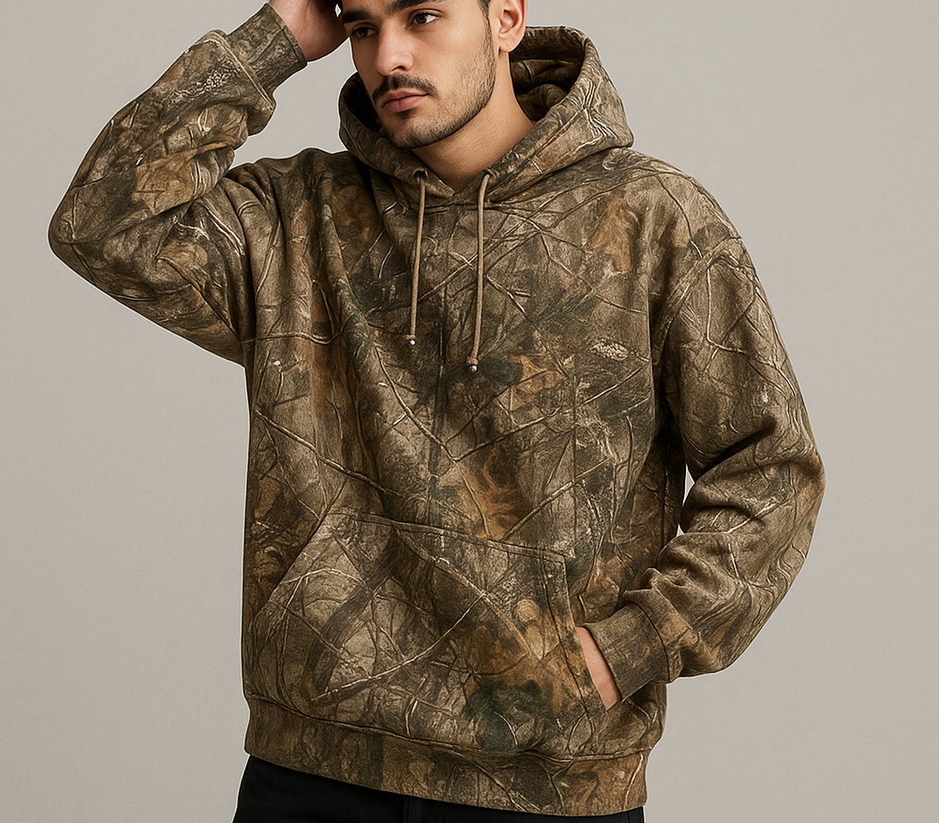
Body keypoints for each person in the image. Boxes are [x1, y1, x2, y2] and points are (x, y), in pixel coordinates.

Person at [48, 1, 824, 820]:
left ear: (507, 17)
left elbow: (772, 468)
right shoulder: (296, 216)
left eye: (421, 16)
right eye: (363, 26)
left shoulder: (652, 219)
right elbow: (100, 224)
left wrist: (630, 645)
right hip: (311, 768)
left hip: (548, 783)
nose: (389, 56)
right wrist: (277, 36)